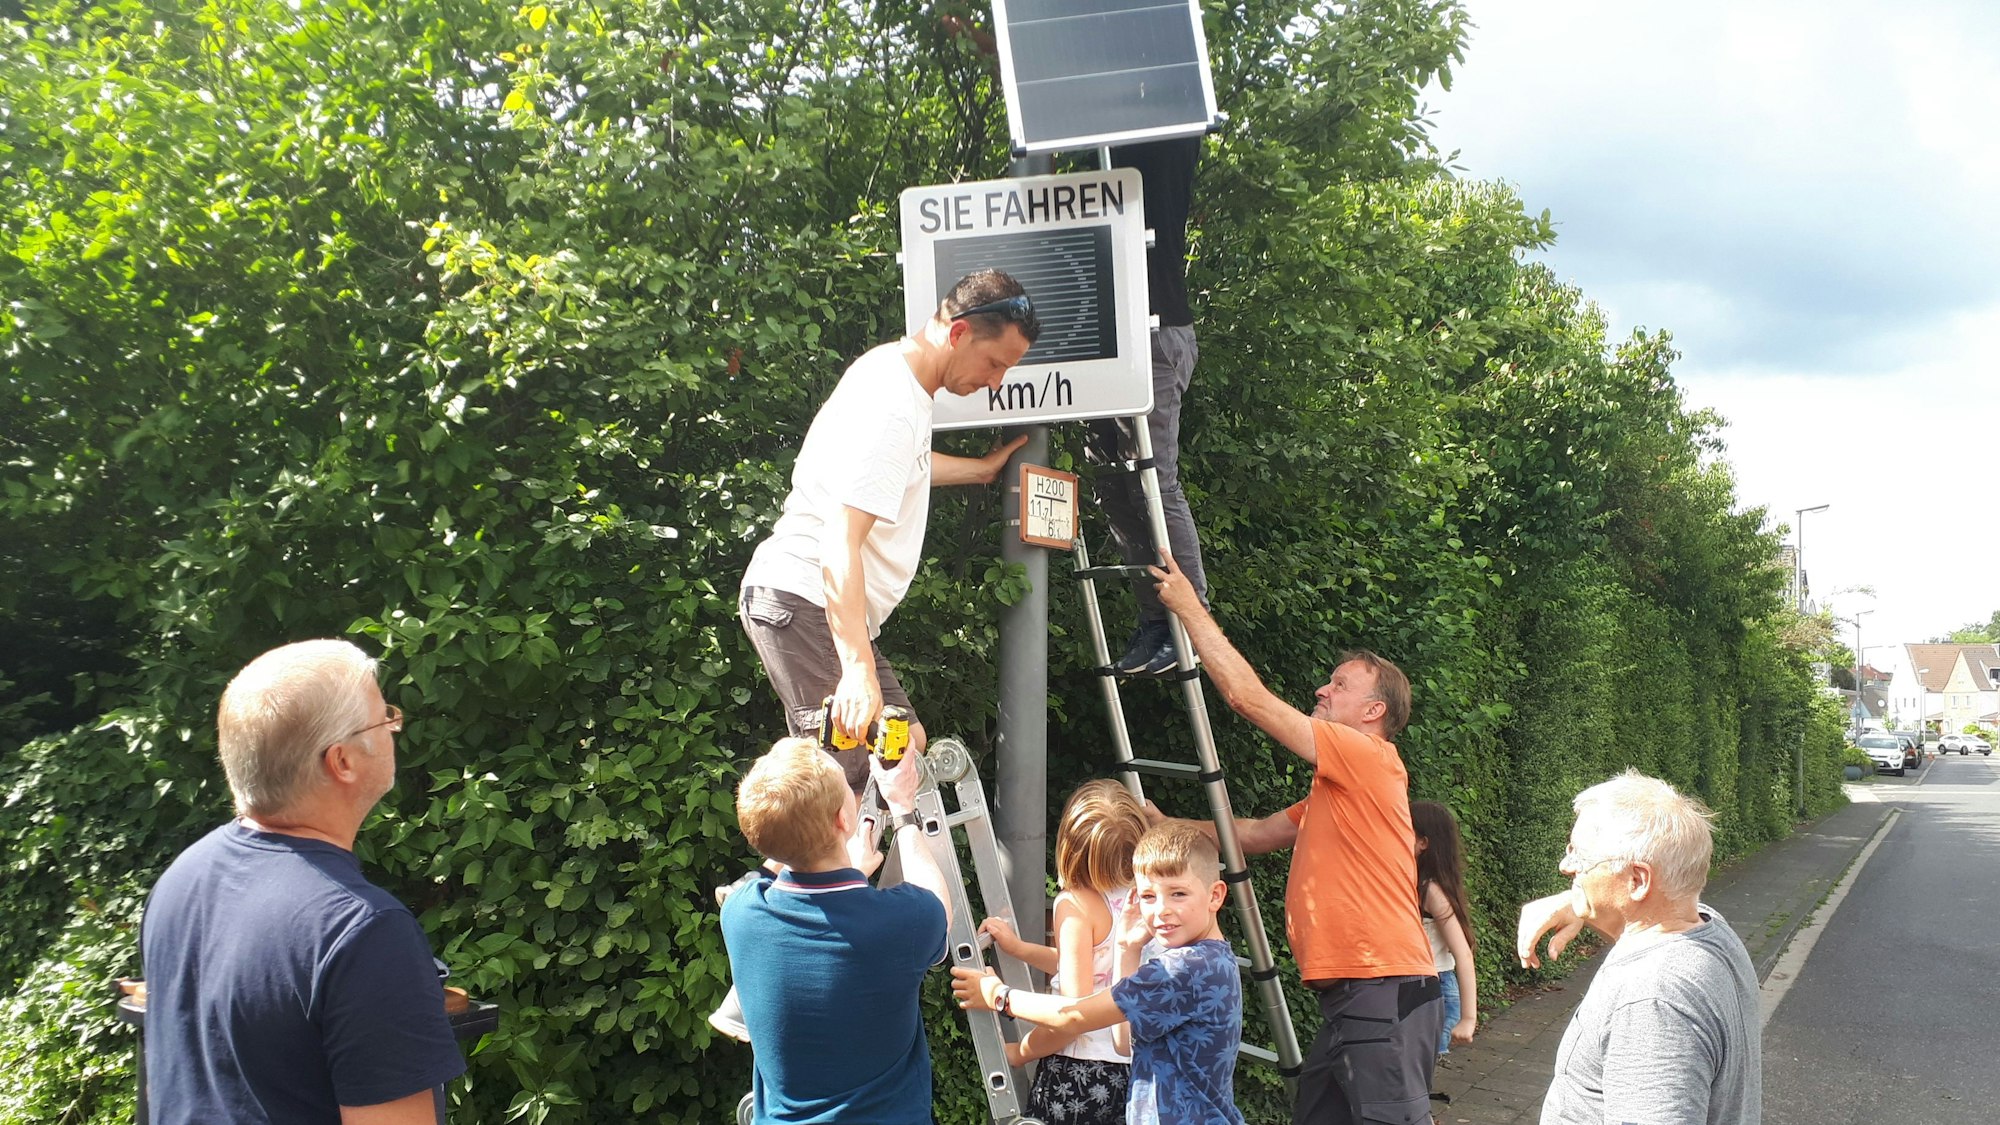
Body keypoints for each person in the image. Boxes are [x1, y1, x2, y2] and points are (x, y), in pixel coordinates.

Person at [1146, 553, 1442, 1125]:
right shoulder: (1341, 790)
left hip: (1381, 988)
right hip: (1354, 997)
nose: (1322, 689)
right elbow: (1255, 835)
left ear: (1373, 711)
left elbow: (1247, 699)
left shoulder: (1368, 755)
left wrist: (1188, 609)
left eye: (1339, 684)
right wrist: (1168, 827)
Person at [140, 639, 465, 1124]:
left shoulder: (183, 876)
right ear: (343, 762)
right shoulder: (364, 932)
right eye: (385, 718)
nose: (396, 726)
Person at [739, 269, 1039, 792]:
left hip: (818, 603)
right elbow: (840, 536)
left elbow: (908, 467)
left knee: (906, 744)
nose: (997, 382)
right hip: (807, 595)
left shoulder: (899, 380)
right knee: (848, 785)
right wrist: (857, 669)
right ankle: (791, 876)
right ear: (959, 331)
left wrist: (982, 469)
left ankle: (811, 866)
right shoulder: (893, 405)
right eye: (996, 364)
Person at [721, 737, 951, 1124]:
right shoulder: (897, 923)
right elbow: (938, 906)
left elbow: (782, 871)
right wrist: (903, 811)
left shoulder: (741, 913)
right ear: (844, 821)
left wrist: (849, 869)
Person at [954, 822, 1244, 1125]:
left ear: (1215, 895)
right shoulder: (1214, 958)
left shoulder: (1183, 968)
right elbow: (1124, 1040)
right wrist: (1126, 949)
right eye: (1148, 896)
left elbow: (1075, 1015)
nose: (1161, 910)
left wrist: (998, 996)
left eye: (1178, 894)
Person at [1517, 770, 1761, 1125]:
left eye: (1581, 857)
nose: (1566, 866)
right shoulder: (1711, 931)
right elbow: (1662, 908)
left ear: (1637, 880)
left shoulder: (1654, 1000)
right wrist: (1578, 904)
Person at [1088, 136, 1208, 676]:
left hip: (1156, 333)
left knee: (1153, 481)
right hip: (1108, 343)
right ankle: (1155, 623)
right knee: (1112, 487)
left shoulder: (1166, 116)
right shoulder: (1090, 134)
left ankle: (1191, 622)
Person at [977, 779, 1149, 1124]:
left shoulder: (1076, 904)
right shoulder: (1147, 898)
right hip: (1136, 1070)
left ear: (1070, 847)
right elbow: (1093, 965)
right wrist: (1021, 949)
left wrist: (1019, 1052)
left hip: (1078, 1077)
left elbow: (1072, 1017)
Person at [1411, 800, 1479, 1056]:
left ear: (1423, 842)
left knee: (1415, 1075)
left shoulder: (1431, 891)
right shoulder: (1413, 882)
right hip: (1417, 988)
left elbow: (1463, 953)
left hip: (1435, 990)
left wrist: (1468, 1018)